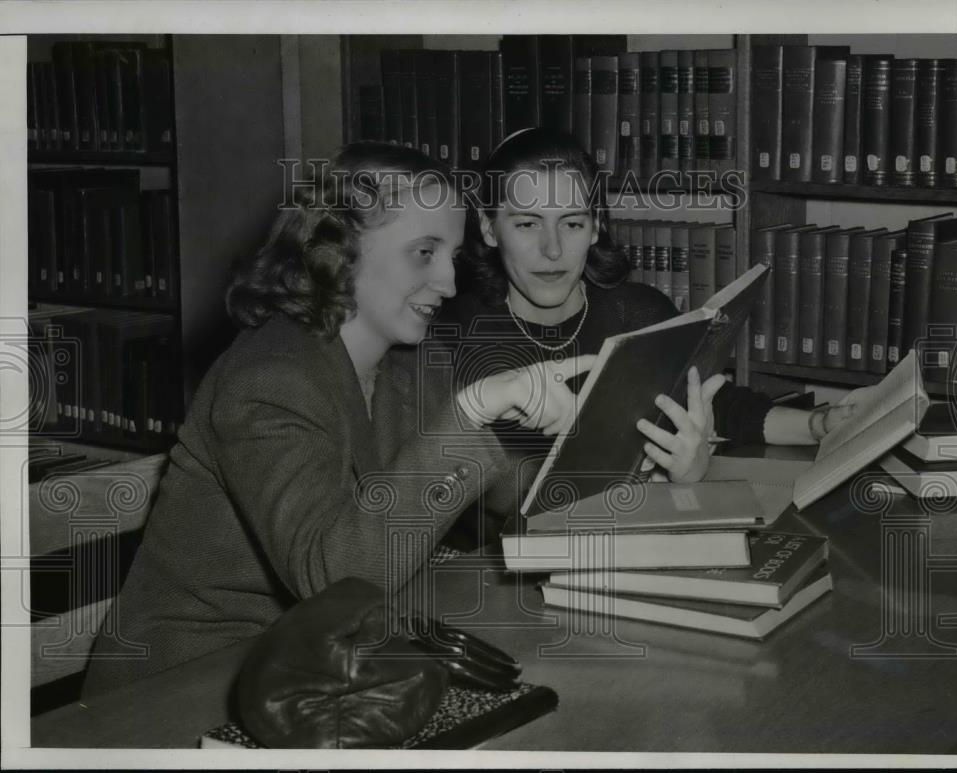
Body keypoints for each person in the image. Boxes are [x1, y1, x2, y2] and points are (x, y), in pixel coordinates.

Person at [82, 142, 593, 695]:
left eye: (453, 255)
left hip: (324, 660)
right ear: (340, 252)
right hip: (189, 686)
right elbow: (334, 577)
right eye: (424, 252)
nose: (448, 282)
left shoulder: (414, 361)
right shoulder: (268, 380)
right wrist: (468, 418)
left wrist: (655, 465)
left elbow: (520, 496)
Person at [437, 127, 872, 549]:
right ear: (490, 229)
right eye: (527, 225)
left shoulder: (639, 312)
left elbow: (708, 400)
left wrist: (819, 426)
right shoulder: (450, 337)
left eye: (571, 224)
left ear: (596, 227)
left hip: (625, 544)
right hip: (486, 570)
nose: (552, 250)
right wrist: (661, 479)